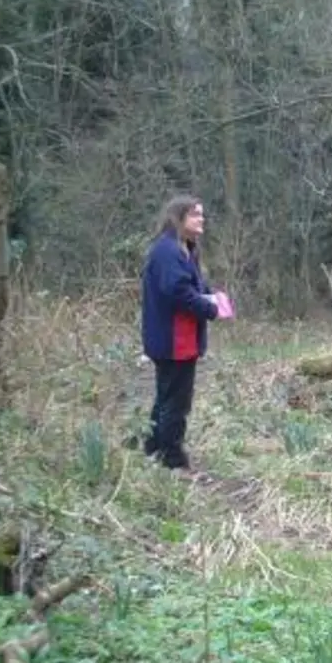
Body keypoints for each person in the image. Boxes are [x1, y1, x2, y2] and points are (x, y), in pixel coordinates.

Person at [140, 195, 226, 470]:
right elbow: (178, 293)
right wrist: (211, 309)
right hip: (172, 339)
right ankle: (172, 458)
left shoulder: (185, 249)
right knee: (176, 402)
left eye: (202, 214)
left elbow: (193, 287)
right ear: (178, 218)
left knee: (167, 396)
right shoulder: (167, 251)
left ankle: (153, 447)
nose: (202, 219)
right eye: (195, 214)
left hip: (181, 339)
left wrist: (213, 297)